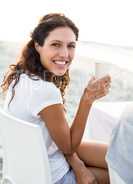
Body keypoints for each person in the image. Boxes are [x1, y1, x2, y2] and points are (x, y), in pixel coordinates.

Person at [1, 13, 111, 184]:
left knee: (119, 157)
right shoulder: (45, 90)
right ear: (38, 45)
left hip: (34, 162)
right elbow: (68, 146)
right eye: (56, 45)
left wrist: (79, 165)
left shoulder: (21, 76)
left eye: (71, 46)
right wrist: (87, 100)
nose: (65, 54)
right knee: (122, 173)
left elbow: (59, 137)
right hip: (52, 176)